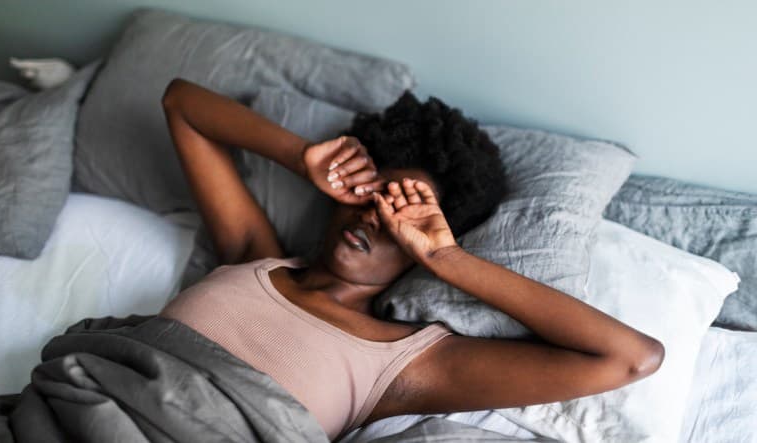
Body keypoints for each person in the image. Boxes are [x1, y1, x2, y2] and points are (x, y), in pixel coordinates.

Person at [158, 79, 665, 441]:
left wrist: (448, 257)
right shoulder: (255, 259)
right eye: (373, 196)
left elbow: (631, 358)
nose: (376, 219)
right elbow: (182, 103)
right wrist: (304, 157)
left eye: (402, 215)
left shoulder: (404, 366)